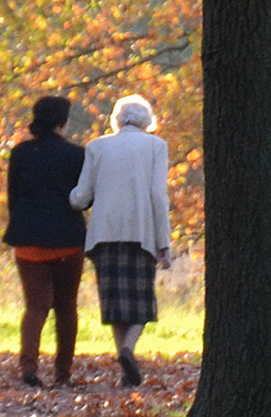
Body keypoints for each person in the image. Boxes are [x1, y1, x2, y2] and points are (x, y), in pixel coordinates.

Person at [69, 94, 170, 388]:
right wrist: (163, 241)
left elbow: (81, 196)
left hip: (104, 234)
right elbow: (157, 196)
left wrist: (67, 198)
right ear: (147, 121)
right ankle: (128, 351)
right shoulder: (156, 146)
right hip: (141, 234)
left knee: (114, 301)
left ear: (116, 118)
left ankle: (124, 363)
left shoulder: (97, 147)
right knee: (141, 301)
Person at [2, 94, 87, 388]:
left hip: (28, 242)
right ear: (62, 122)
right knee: (66, 308)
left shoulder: (20, 153)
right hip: (68, 241)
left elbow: (13, 198)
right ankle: (63, 373)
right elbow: (84, 199)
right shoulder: (77, 154)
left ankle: (29, 367)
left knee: (36, 306)